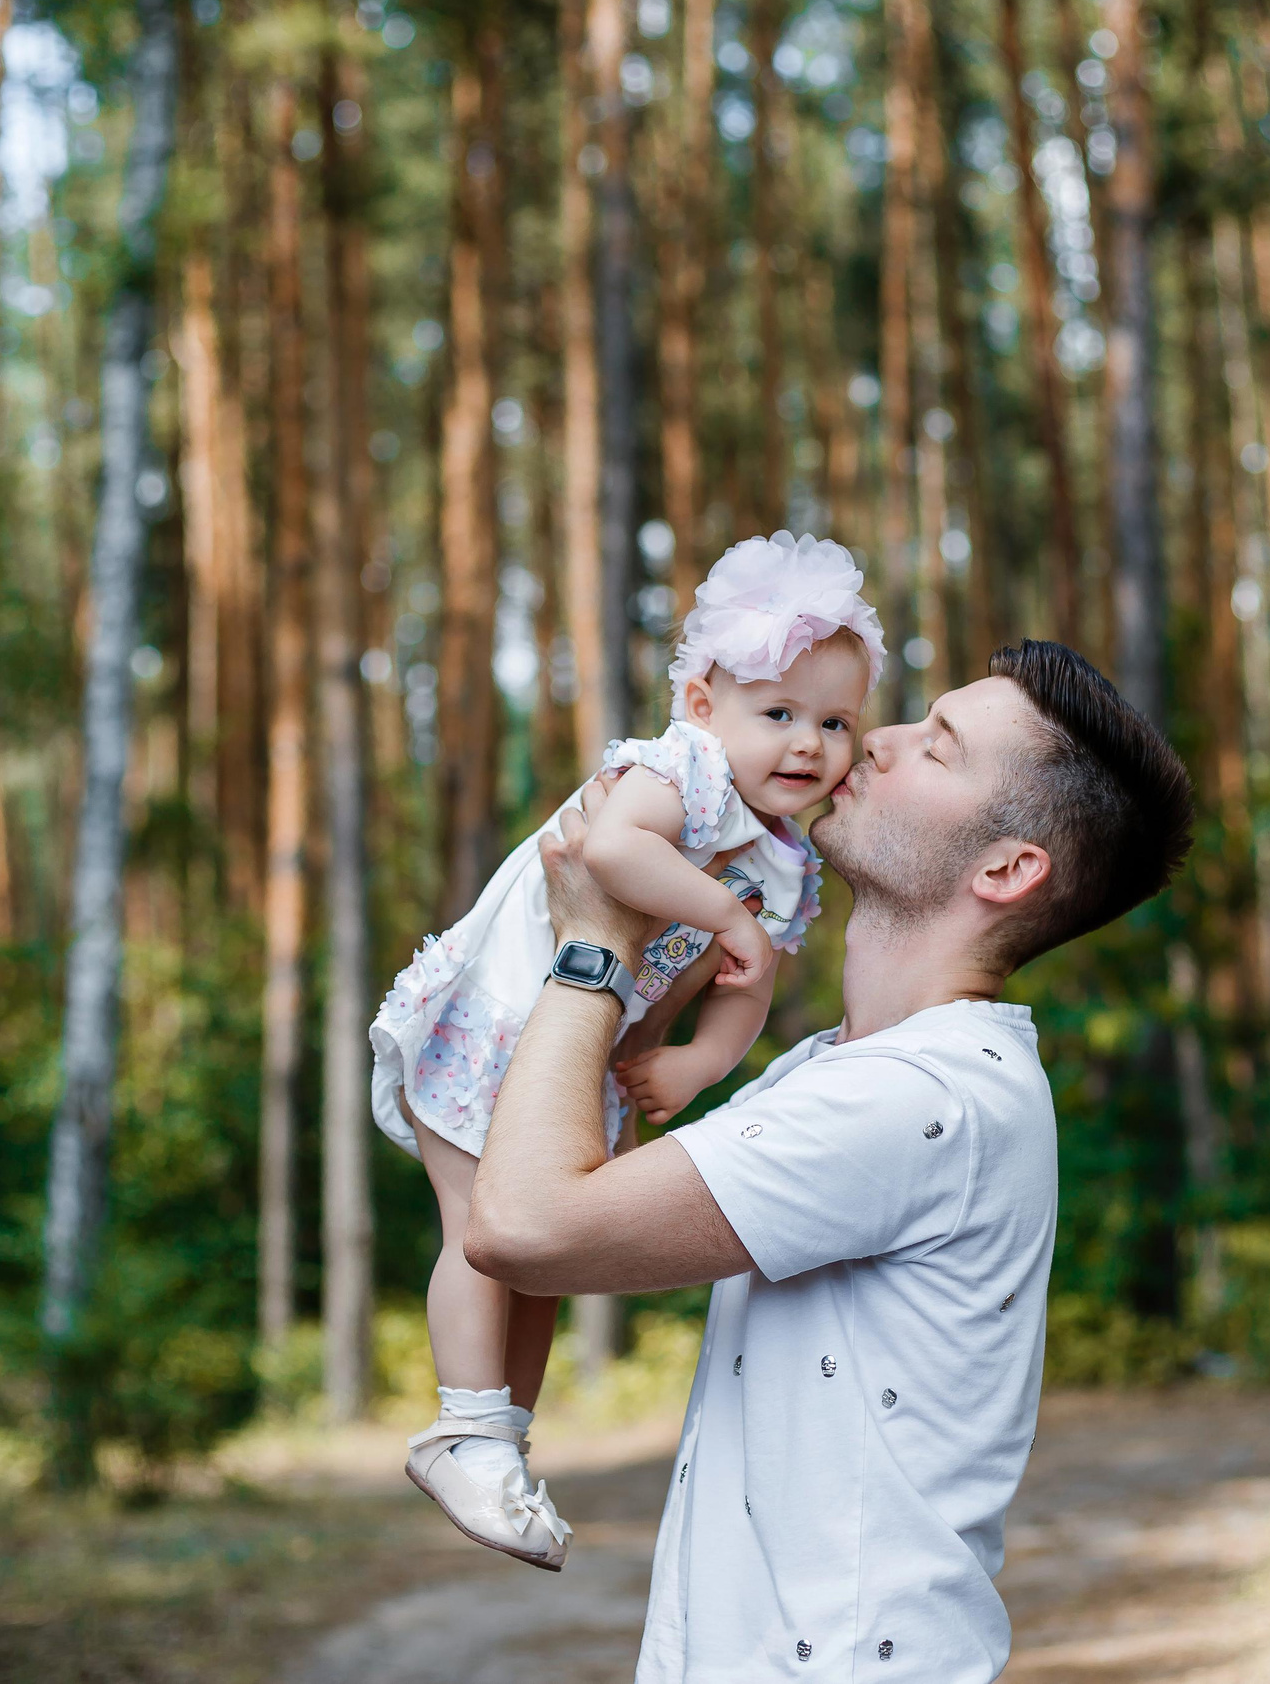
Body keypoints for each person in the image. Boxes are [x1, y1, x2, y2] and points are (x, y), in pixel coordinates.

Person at [464, 638, 1195, 1682]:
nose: (877, 740)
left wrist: (595, 941)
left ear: (1005, 868)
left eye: (936, 749)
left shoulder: (914, 1099)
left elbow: (526, 1228)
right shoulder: (844, 1071)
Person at [369, 531, 887, 1570]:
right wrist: (724, 919)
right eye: (777, 714)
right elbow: (612, 850)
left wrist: (701, 1062)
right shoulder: (677, 773)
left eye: (834, 722)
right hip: (500, 1015)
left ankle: (502, 1441)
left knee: (541, 1258)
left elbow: (755, 988)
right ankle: (462, 1426)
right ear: (702, 705)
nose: (808, 745)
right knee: (478, 1227)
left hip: (580, 1057)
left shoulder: (785, 860)